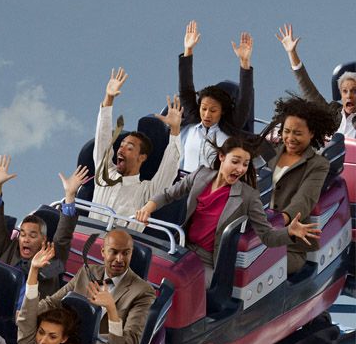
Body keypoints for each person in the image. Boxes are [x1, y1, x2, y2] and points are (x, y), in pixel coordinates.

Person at [135, 135, 320, 285]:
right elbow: (169, 194)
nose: (240, 169)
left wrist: (290, 233)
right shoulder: (200, 175)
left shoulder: (248, 196)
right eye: (236, 161)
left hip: (208, 262)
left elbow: (267, 236)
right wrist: (148, 207)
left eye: (245, 164)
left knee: (175, 285)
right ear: (222, 157)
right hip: (182, 249)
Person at [33, 229, 155, 344]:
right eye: (114, 252)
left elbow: (131, 340)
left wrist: (111, 308)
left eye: (125, 253)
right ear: (103, 252)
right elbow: (53, 302)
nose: (120, 259)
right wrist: (28, 313)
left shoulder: (142, 291)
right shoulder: (87, 272)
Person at [0, 156, 91, 296]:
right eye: (22, 234)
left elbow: (63, 235)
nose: (25, 239)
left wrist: (70, 195)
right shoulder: (8, 249)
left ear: (43, 239)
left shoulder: (54, 258)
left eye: (32, 235)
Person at [259, 93, 339, 273]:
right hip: (257, 235)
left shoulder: (318, 164)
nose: (290, 138)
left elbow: (304, 200)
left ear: (311, 133)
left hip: (291, 246)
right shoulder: (271, 153)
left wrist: (281, 220)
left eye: (297, 133)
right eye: (287, 131)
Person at [93, 68, 184, 221]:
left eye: (129, 148)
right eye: (121, 145)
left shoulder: (147, 191)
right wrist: (109, 98)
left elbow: (169, 169)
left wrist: (175, 129)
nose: (121, 150)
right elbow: (102, 137)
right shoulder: (104, 173)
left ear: (142, 157)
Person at [177, 21, 256, 172]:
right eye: (204, 108)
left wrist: (245, 62)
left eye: (213, 110)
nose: (206, 114)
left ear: (222, 112)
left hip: (213, 189)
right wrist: (188, 50)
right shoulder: (193, 120)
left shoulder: (229, 129)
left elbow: (244, 99)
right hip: (183, 184)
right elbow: (185, 89)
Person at [276, 24, 356, 140]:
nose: (349, 96)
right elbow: (308, 90)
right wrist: (292, 53)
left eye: (354, 91)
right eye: (345, 91)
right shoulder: (332, 114)